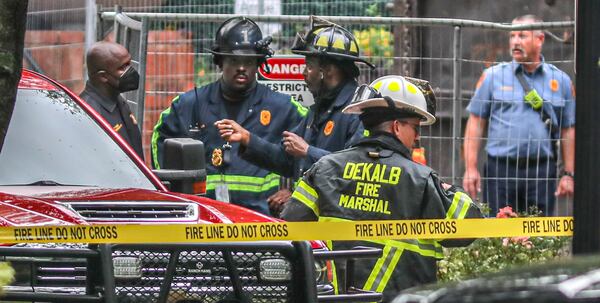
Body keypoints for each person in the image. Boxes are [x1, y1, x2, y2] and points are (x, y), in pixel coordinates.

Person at [281, 75, 482, 301]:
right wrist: (448, 188)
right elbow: (469, 226)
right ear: (397, 127)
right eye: (415, 127)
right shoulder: (419, 179)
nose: (417, 136)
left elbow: (290, 226)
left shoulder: (325, 168)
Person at [215, 19, 374, 214]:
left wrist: (308, 152)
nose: (304, 74)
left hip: (340, 226)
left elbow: (360, 171)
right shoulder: (318, 111)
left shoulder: (358, 111)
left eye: (308, 67)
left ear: (328, 70)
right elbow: (287, 160)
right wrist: (248, 139)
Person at [151, 17, 305, 215]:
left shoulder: (282, 107)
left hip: (261, 221)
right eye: (233, 60)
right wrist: (174, 196)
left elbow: (312, 148)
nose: (241, 67)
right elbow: (160, 142)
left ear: (258, 63)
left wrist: (295, 190)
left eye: (248, 61)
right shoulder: (189, 105)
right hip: (205, 219)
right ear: (220, 61)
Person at [463, 14, 575, 216]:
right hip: (501, 170)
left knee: (539, 238)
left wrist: (568, 174)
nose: (515, 41)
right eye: (512, 36)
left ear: (539, 40)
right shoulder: (493, 77)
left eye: (522, 36)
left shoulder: (561, 81)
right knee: (500, 235)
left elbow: (568, 130)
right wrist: (471, 168)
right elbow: (475, 123)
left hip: (541, 171)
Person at [80, 41, 144, 159]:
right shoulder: (90, 114)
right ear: (103, 76)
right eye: (122, 67)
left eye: (129, 64)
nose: (130, 70)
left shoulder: (118, 101)